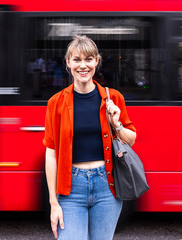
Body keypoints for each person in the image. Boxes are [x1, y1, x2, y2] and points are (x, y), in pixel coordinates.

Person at [43, 35, 137, 240]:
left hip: (106, 187)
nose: (83, 65)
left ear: (97, 61)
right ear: (68, 63)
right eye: (76, 60)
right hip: (70, 191)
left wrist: (116, 123)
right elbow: (51, 154)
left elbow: (131, 139)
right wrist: (53, 203)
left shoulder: (114, 98)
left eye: (88, 59)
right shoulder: (56, 103)